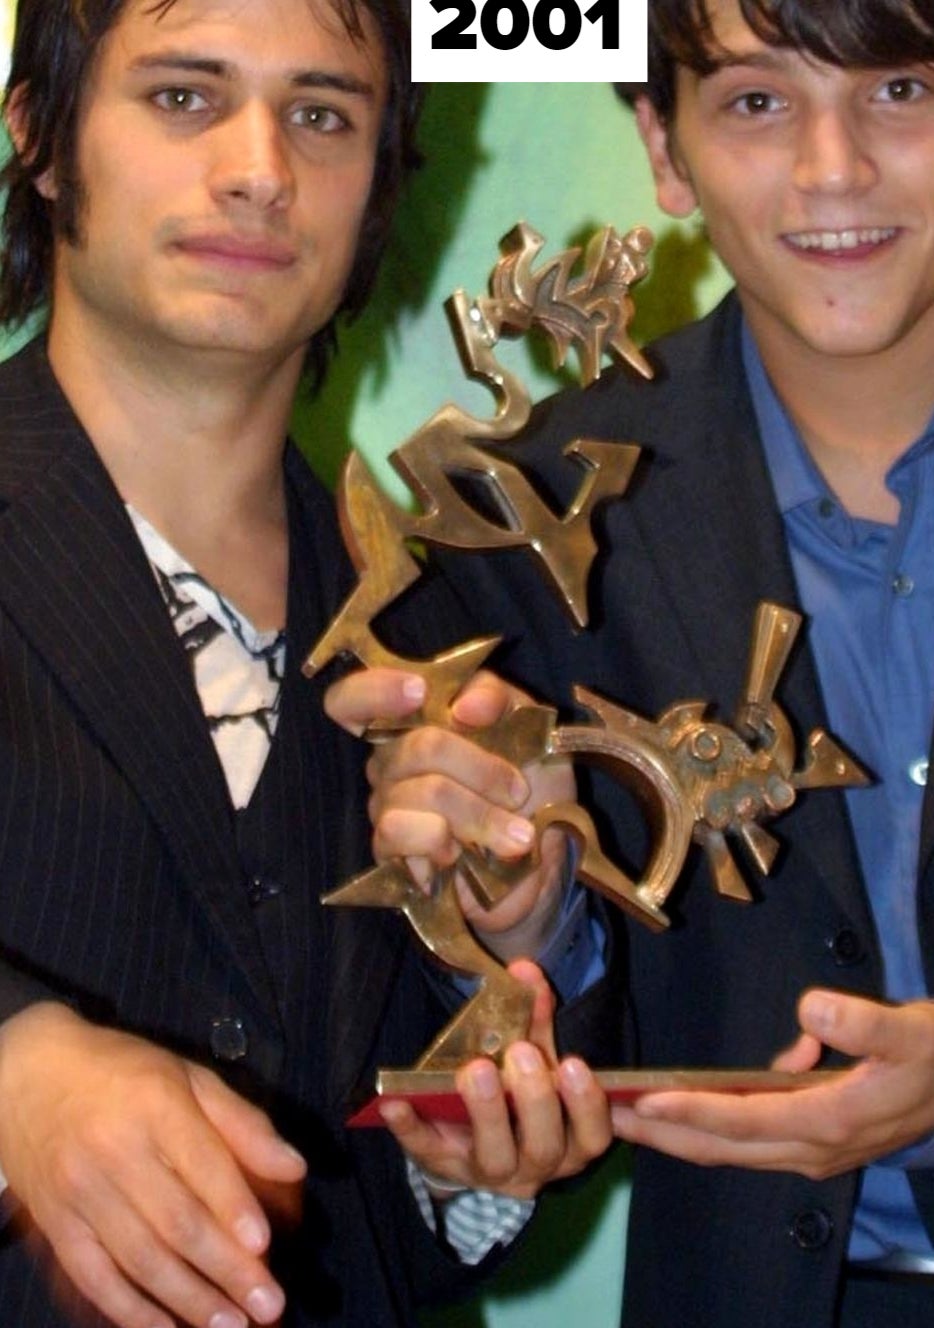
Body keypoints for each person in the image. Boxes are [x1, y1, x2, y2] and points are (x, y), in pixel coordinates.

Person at [0, 1, 619, 1325]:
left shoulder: (455, 628)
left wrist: (499, 991)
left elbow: (410, 1212)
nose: (260, 168)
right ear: (38, 137)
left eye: (322, 114)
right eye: (182, 97)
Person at [325, 1, 934, 1325]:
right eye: (756, 103)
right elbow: (533, 1027)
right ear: (664, 148)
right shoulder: (530, 513)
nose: (835, 169)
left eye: (898, 90)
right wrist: (518, 918)